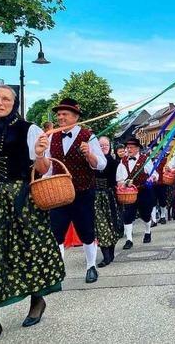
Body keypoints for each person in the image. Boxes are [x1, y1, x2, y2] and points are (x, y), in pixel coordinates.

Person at [0, 85, 65, 342]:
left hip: (23, 197)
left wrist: (40, 154)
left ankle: (37, 301)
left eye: (5, 98)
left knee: (32, 249)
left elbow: (42, 168)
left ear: (14, 102)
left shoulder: (31, 130)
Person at [47, 98, 107, 284]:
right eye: (58, 114)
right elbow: (48, 168)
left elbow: (101, 165)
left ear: (75, 117)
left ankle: (91, 266)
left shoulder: (89, 136)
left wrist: (89, 153)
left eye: (64, 114)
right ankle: (58, 270)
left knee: (86, 231)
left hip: (83, 191)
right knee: (56, 232)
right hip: (59, 193)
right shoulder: (51, 137)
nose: (60, 117)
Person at [116, 137, 155, 250]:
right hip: (129, 194)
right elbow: (119, 180)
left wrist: (151, 179)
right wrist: (125, 183)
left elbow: (154, 174)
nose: (129, 150)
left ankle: (147, 231)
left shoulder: (145, 159)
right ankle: (129, 240)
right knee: (127, 216)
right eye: (127, 148)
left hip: (143, 191)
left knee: (145, 214)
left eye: (131, 147)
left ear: (137, 148)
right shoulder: (122, 162)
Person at [94, 136, 121, 268]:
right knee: (101, 225)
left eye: (106, 145)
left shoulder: (115, 163)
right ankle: (105, 256)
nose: (103, 147)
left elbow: (121, 180)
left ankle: (111, 252)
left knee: (112, 224)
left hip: (111, 197)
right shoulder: (92, 162)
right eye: (100, 145)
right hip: (96, 198)